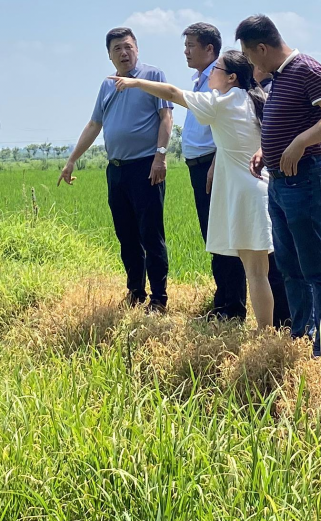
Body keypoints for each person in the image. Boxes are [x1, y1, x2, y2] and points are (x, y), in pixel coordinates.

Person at [112, 51, 275, 328]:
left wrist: (136, 84)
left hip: (245, 196)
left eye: (217, 69)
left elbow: (174, 93)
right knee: (260, 271)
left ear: (231, 77)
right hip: (259, 191)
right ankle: (268, 333)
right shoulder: (252, 100)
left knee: (256, 273)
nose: (211, 73)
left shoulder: (222, 102)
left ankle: (265, 335)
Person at [237, 14, 321, 356]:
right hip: (279, 182)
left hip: (306, 180)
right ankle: (301, 335)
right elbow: (285, 122)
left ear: (261, 47)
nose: (249, 62)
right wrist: (263, 151)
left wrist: (301, 142)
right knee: (289, 266)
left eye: (249, 54)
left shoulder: (306, 68)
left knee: (316, 269)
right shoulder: (280, 77)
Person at [59, 27, 173, 310]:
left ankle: (159, 298)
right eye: (117, 49)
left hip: (146, 166)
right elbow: (94, 125)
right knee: (126, 235)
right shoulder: (107, 85)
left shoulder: (153, 76)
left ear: (137, 48)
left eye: (128, 47)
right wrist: (72, 160)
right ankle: (136, 292)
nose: (124, 53)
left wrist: (161, 156)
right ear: (109, 56)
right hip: (117, 170)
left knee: (151, 233)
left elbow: (166, 116)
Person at [179, 22, 249, 320]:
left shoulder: (219, 81)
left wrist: (217, 161)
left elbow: (232, 129)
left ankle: (232, 309)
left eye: (191, 45)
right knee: (214, 236)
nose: (186, 51)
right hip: (199, 166)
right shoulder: (200, 79)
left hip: (213, 164)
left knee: (226, 238)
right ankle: (223, 302)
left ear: (210, 48)